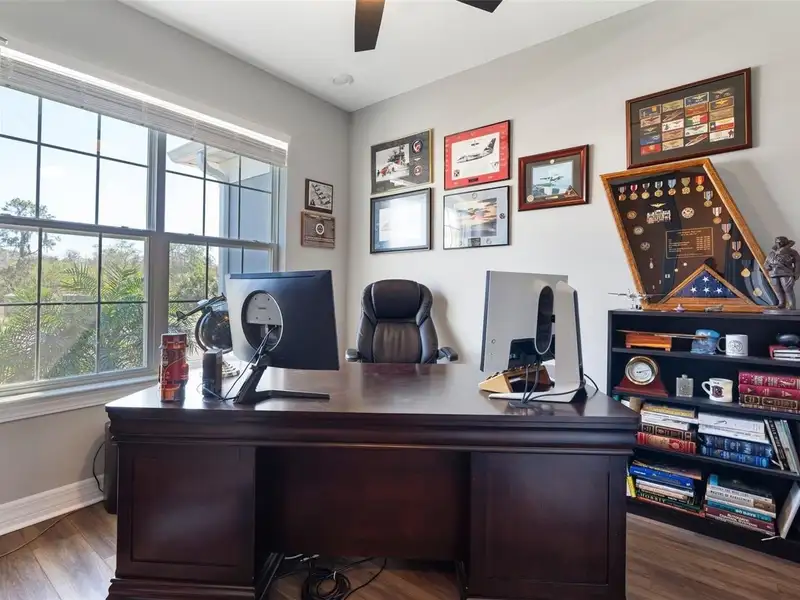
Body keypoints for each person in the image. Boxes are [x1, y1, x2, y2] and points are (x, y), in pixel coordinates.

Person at [765, 236, 800, 310]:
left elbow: (797, 262)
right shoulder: (772, 253)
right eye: (777, 242)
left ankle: (791, 305)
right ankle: (781, 303)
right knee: (777, 290)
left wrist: (796, 273)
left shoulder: (792, 252)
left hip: (786, 273)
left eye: (780, 242)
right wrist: (767, 266)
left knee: (787, 289)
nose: (778, 244)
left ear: (785, 242)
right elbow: (766, 263)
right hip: (774, 273)